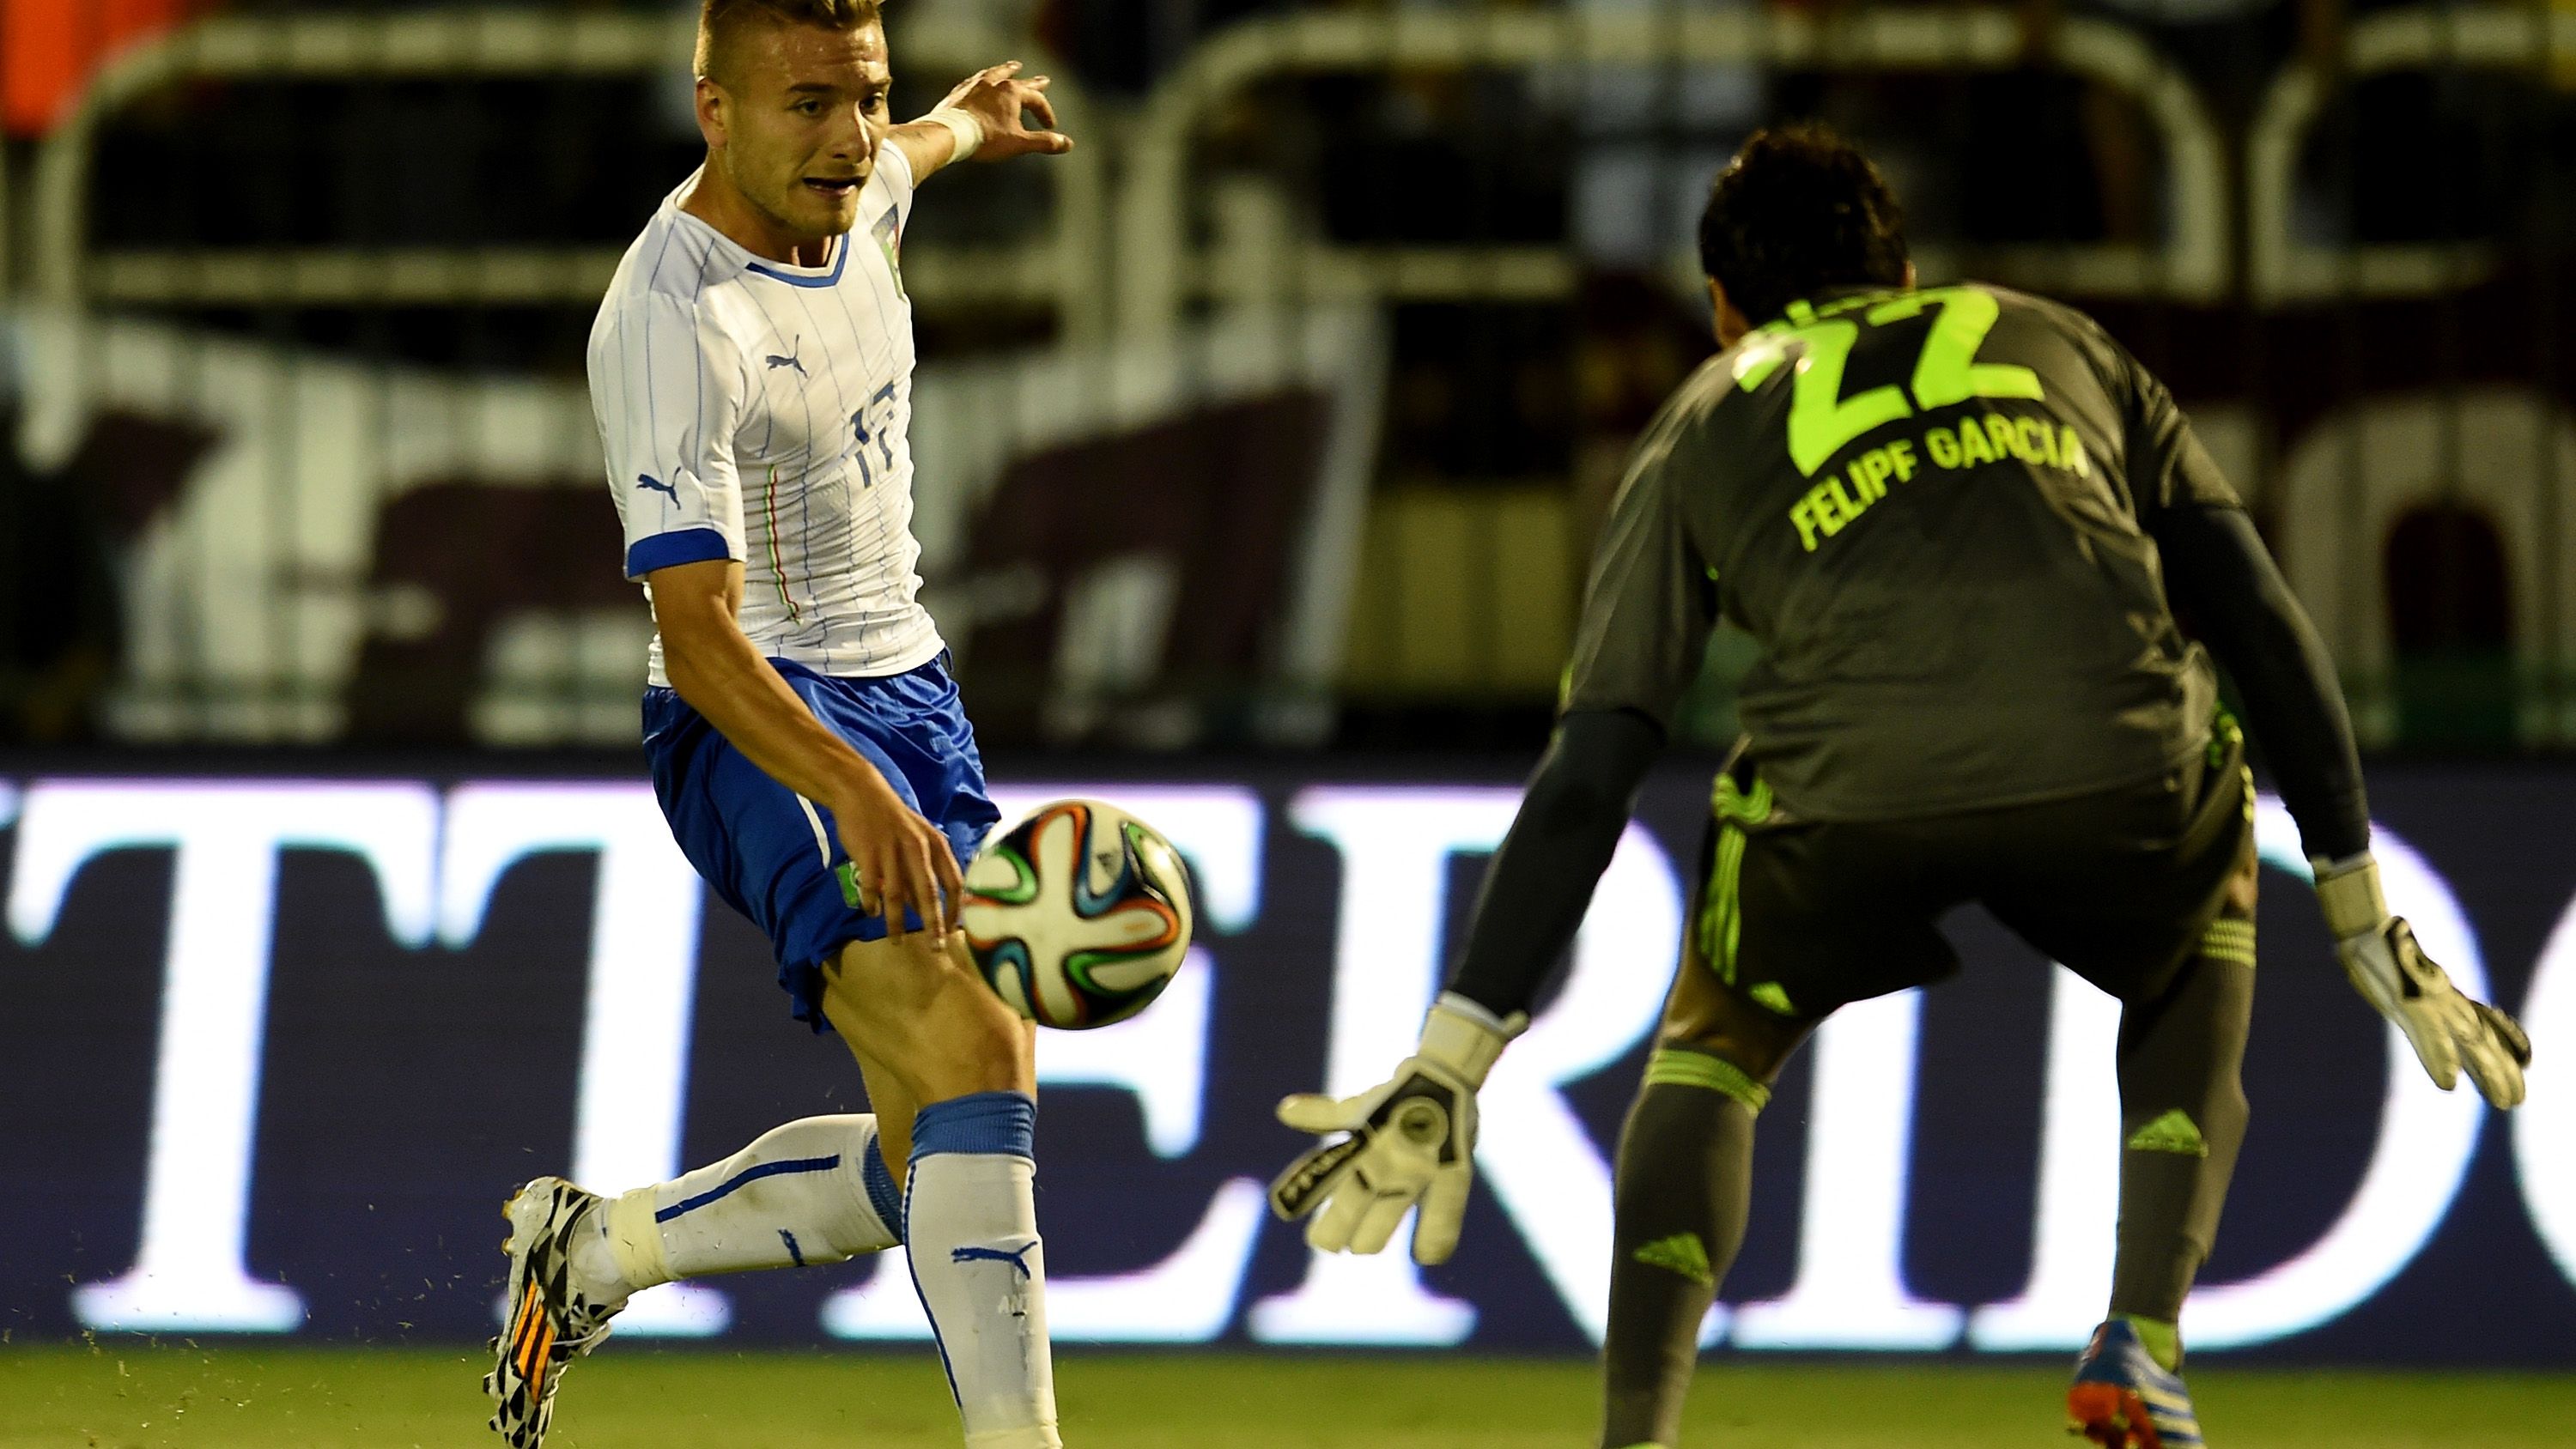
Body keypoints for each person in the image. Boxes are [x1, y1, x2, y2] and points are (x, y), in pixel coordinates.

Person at [1268, 124, 2531, 1449]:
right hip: (2119, 773)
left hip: (1848, 802)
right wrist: (2357, 907)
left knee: (1720, 1026)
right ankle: (2142, 1342)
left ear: (1721, 310)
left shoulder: (1701, 416)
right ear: (1909, 270)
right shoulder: (2062, 342)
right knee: (2202, 866)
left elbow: (1594, 769)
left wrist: (1456, 1054)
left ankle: (1637, 1435)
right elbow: (2262, 622)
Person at [485, 3, 1073, 1446]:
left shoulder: (863, 181)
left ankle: (598, 1248)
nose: (848, 135)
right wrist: (855, 791)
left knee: (926, 1145)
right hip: (761, 714)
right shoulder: (674, 320)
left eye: (864, 94)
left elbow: (911, 159)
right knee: (980, 1052)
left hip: (912, 692)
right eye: (807, 103)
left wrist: (970, 121)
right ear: (715, 111)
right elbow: (700, 639)